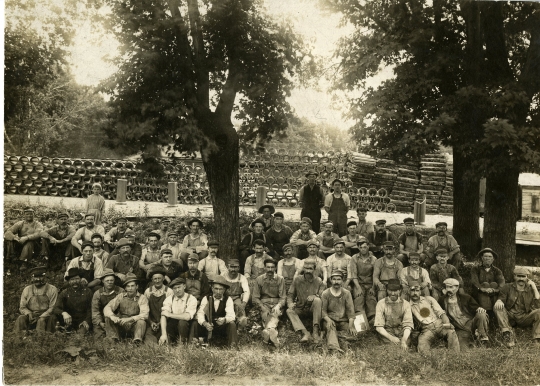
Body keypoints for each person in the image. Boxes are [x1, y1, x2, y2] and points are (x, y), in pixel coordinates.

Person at [493, 267, 540, 348]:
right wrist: (499, 300)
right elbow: (502, 297)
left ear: (527, 277)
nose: (521, 279)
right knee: (497, 307)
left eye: (523, 276)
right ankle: (507, 334)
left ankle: (536, 338)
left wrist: (534, 287)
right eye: (519, 276)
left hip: (524, 317)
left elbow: (537, 299)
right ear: (514, 276)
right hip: (509, 317)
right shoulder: (507, 287)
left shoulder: (530, 289)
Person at [409, 282, 460, 354]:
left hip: (439, 325)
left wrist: (447, 324)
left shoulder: (429, 299)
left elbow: (441, 314)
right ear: (409, 291)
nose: (415, 293)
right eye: (412, 291)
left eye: (417, 291)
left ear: (420, 291)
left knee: (451, 332)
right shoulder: (408, 306)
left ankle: (454, 356)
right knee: (422, 344)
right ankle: (428, 361)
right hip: (426, 329)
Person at [439, 278, 490, 349]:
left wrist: (479, 308)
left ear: (457, 288)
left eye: (451, 287)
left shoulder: (465, 297)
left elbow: (475, 307)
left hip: (471, 324)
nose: (448, 289)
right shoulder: (442, 300)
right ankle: (474, 339)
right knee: (463, 349)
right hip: (460, 328)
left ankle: (483, 338)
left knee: (481, 314)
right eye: (447, 287)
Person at [193, 275, 239, 347]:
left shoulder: (228, 299)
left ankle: (233, 346)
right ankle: (193, 344)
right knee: (195, 323)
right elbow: (200, 314)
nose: (218, 292)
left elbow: (231, 315)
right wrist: (205, 323)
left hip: (221, 328)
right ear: (212, 288)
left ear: (224, 290)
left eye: (221, 289)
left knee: (232, 324)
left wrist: (224, 319)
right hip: (207, 327)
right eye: (216, 289)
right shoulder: (206, 298)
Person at [287, 261, 326, 343]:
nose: (308, 271)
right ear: (303, 269)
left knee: (317, 300)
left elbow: (322, 296)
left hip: (313, 310)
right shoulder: (297, 280)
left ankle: (315, 331)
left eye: (310, 269)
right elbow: (290, 295)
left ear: (314, 269)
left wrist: (315, 296)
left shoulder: (319, 281)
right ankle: (306, 333)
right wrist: (290, 303)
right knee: (289, 311)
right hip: (300, 308)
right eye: (306, 268)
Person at [103, 273, 149, 343]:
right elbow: (107, 307)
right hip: (122, 324)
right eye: (128, 286)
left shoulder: (142, 298)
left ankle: (137, 340)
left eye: (132, 286)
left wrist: (129, 319)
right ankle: (114, 339)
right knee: (108, 318)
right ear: (125, 288)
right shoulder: (121, 296)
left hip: (134, 325)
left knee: (142, 322)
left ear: (137, 287)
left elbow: (145, 314)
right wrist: (113, 317)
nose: (130, 288)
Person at [252, 258, 286, 348]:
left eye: (272, 267)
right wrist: (262, 307)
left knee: (275, 313)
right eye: (268, 267)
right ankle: (273, 333)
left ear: (275, 268)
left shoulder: (280, 279)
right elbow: (255, 297)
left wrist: (278, 306)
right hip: (264, 303)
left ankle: (267, 333)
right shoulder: (259, 279)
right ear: (264, 268)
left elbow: (283, 297)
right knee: (265, 314)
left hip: (276, 303)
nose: (270, 270)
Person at [14, 266, 58, 336]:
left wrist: (42, 317)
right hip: (32, 315)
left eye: (40, 277)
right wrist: (29, 313)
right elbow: (22, 307)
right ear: (32, 278)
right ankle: (20, 339)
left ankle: (42, 339)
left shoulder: (52, 289)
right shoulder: (27, 289)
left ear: (45, 277)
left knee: (42, 321)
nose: (38, 279)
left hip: (46, 316)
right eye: (35, 277)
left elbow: (52, 307)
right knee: (21, 318)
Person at [321, 269, 357, 353]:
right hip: (330, 320)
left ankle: (336, 337)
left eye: (338, 279)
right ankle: (334, 349)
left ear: (342, 281)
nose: (336, 282)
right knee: (331, 327)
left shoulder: (346, 293)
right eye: (334, 279)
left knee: (354, 335)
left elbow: (351, 311)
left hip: (343, 321)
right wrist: (328, 320)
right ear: (331, 280)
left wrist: (351, 326)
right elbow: (323, 311)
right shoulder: (326, 293)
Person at [373, 278, 414, 349]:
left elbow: (408, 325)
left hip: (402, 331)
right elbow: (379, 327)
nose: (392, 293)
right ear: (387, 290)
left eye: (395, 291)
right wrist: (391, 338)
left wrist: (403, 340)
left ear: (400, 290)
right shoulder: (381, 303)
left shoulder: (406, 304)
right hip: (387, 332)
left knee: (404, 348)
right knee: (392, 348)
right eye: (390, 290)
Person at [53, 268, 93, 335]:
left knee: (79, 337)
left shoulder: (88, 292)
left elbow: (91, 309)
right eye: (72, 279)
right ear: (68, 281)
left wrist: (87, 321)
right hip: (69, 321)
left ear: (80, 279)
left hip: (83, 320)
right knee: (54, 319)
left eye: (77, 279)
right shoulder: (64, 292)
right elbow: (56, 308)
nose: (75, 281)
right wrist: (63, 313)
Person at [159, 277, 198, 345]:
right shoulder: (169, 299)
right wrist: (163, 334)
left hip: (187, 326)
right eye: (174, 288)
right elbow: (163, 315)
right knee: (169, 322)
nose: (177, 290)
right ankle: (171, 341)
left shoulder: (191, 299)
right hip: (174, 326)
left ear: (184, 286)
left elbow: (187, 317)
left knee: (182, 322)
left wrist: (170, 314)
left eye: (179, 287)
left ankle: (183, 342)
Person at [143, 266, 174, 345]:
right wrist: (151, 322)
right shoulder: (148, 291)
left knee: (166, 340)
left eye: (159, 278)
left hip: (166, 322)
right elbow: (145, 309)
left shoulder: (169, 291)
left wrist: (161, 323)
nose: (157, 281)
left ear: (163, 278)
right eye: (155, 279)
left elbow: (171, 310)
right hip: (151, 322)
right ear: (152, 280)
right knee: (149, 341)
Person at [349, 239, 377, 322]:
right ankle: (361, 323)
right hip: (359, 283)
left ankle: (372, 319)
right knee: (359, 298)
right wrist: (358, 287)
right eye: (361, 247)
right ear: (358, 248)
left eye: (365, 247)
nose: (363, 249)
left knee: (371, 298)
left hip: (370, 283)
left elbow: (375, 275)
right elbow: (354, 275)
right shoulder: (354, 258)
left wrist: (373, 287)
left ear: (368, 247)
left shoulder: (374, 259)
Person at [91, 269, 124, 339]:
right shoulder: (98, 293)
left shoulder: (120, 291)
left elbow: (123, 308)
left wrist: (117, 318)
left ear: (114, 280)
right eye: (107, 281)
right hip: (102, 319)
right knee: (99, 337)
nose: (110, 282)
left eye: (111, 280)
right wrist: (100, 322)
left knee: (118, 335)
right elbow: (95, 310)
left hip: (116, 318)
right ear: (103, 281)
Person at [221, 259, 250, 328]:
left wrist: (244, 303)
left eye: (235, 267)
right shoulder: (223, 276)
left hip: (236, 298)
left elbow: (246, 291)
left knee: (240, 309)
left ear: (239, 268)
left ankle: (240, 326)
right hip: (225, 297)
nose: (233, 269)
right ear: (228, 267)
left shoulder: (242, 278)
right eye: (231, 267)